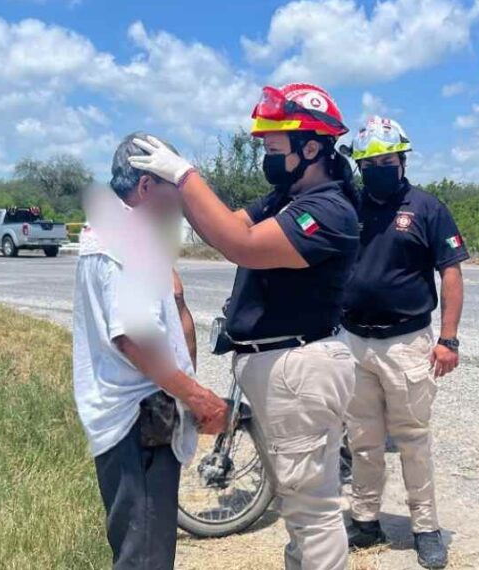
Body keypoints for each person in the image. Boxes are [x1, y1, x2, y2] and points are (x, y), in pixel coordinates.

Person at [128, 83, 360, 570]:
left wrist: (184, 174)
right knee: (299, 507)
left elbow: (242, 244)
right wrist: (171, 198)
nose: (267, 158)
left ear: (311, 147)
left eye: (274, 148)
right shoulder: (284, 196)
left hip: (301, 364)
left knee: (313, 512)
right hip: (279, 365)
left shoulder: (329, 209)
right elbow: (227, 224)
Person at [72, 132, 227, 570]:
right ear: (145, 188)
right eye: (171, 192)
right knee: (145, 557)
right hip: (138, 422)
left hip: (135, 418)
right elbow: (133, 338)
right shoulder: (126, 243)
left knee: (143, 546)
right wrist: (199, 398)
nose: (179, 205)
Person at [340, 116, 468, 569]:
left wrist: (448, 339)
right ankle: (365, 519)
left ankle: (426, 527)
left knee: (413, 440)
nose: (378, 167)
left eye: (386, 160)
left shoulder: (427, 208)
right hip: (353, 341)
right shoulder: (349, 205)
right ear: (358, 165)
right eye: (369, 162)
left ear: (402, 159)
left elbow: (450, 272)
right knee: (363, 440)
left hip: (408, 342)